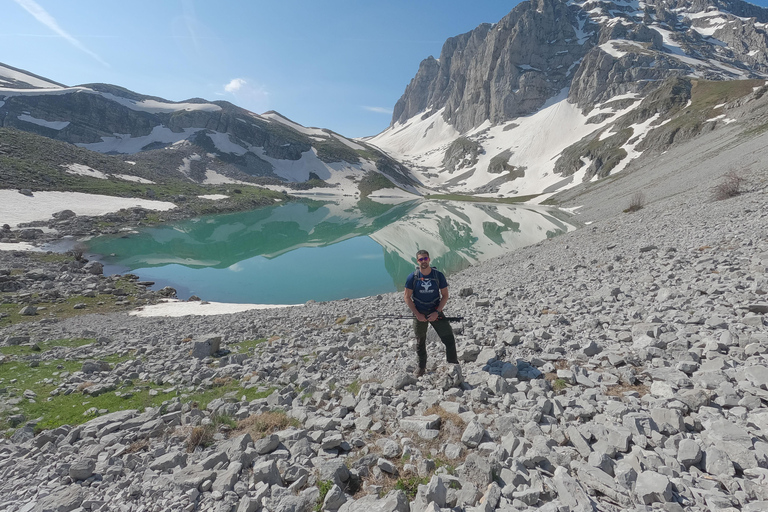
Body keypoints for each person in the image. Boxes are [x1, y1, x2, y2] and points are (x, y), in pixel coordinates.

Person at [404, 250, 459, 377]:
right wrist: (417, 314)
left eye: (425, 259)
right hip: (419, 313)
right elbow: (407, 297)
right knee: (420, 341)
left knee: (449, 338)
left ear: (429, 259)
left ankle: (453, 364)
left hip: (435, 312)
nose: (423, 261)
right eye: (420, 259)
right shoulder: (412, 277)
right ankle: (421, 366)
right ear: (417, 261)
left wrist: (437, 312)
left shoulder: (438, 275)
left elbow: (445, 296)